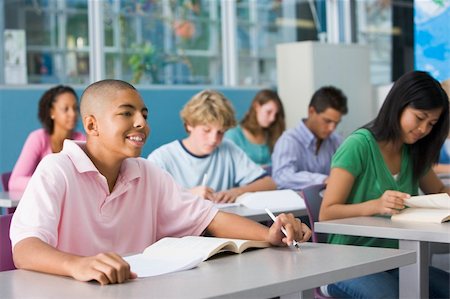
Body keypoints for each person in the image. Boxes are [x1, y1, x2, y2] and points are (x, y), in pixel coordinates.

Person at [10, 79, 311, 285]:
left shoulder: (147, 173)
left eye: (143, 113)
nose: (141, 122)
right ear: (92, 125)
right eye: (126, 113)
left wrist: (270, 235)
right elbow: (24, 249)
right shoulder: (57, 169)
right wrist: (78, 265)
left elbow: (211, 219)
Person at [319, 71, 450, 298]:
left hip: (396, 259)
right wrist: (376, 205)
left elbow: (438, 191)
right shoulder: (358, 145)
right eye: (419, 118)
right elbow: (327, 213)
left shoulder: (414, 150)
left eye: (432, 124)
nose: (423, 130)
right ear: (399, 105)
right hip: (345, 261)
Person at [148, 89, 277, 203]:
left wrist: (237, 191)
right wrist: (187, 194)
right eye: (206, 130)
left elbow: (269, 183)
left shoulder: (228, 149)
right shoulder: (161, 158)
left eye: (220, 132)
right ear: (189, 125)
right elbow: (147, 198)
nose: (214, 139)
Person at [9, 85, 85, 192]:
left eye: (75, 108)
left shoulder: (81, 140)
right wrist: (51, 183)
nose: (73, 114)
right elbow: (14, 182)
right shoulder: (38, 138)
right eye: (65, 109)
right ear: (51, 112)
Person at [271, 86, 348, 190]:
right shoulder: (289, 140)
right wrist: (323, 180)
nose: (332, 128)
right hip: (297, 204)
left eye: (336, 123)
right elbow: (281, 177)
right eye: (327, 121)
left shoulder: (336, 141)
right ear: (311, 111)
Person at [224, 89, 285, 167]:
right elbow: (231, 166)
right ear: (256, 107)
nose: (272, 118)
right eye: (268, 112)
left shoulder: (271, 134)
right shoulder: (234, 134)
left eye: (275, 114)